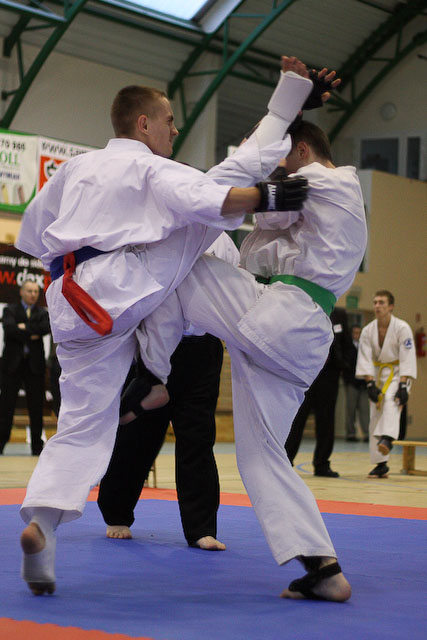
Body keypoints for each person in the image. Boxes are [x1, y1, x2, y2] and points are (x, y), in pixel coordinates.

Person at [14, 56, 314, 596]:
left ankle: (43, 524)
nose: (174, 130)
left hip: (69, 300)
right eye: (170, 120)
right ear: (143, 124)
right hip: (119, 286)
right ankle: (153, 373)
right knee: (203, 214)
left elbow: (33, 236)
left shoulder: (74, 169)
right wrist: (266, 197)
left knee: (82, 424)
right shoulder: (150, 169)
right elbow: (215, 195)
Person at [137, 112, 367, 601]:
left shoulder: (321, 182)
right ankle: (323, 568)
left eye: (282, 157)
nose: (279, 168)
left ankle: (151, 376)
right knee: (261, 458)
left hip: (281, 316)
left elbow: (267, 207)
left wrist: (258, 149)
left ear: (300, 150)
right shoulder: (333, 195)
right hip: (293, 338)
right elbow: (266, 227)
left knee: (183, 265)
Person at [98, 233, 239, 550]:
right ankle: (117, 512)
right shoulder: (159, 231)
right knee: (139, 434)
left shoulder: (223, 242)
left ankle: (201, 527)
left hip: (203, 348)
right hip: (156, 346)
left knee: (198, 437)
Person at [355, 290, 417, 478]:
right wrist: (370, 384)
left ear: (391, 306)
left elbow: (407, 356)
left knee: (392, 401)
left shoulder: (402, 328)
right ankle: (381, 464)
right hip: (376, 373)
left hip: (398, 373)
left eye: (381, 302)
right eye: (375, 302)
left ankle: (388, 438)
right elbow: (364, 358)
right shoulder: (368, 330)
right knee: (375, 415)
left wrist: (403, 386)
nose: (377, 306)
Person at [285, 307, 351, 477]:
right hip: (306, 372)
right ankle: (285, 460)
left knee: (326, 420)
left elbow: (347, 343)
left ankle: (322, 464)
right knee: (297, 418)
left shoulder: (339, 314)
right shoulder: (307, 307)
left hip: (329, 375)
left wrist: (344, 366)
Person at [0, 280, 50, 455]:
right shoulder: (10, 310)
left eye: (36, 291)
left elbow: (45, 328)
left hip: (34, 367)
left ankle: (37, 447)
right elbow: (9, 329)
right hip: (12, 366)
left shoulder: (42, 313)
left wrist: (23, 328)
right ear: (21, 292)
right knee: (6, 406)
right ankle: (1, 443)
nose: (33, 294)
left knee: (36, 407)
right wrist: (32, 332)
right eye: (29, 291)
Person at [343, 324, 369, 442]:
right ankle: (350, 433)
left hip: (363, 383)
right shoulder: (347, 347)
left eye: (359, 333)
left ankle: (366, 433)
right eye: (355, 333)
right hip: (352, 382)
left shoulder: (364, 347)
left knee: (364, 410)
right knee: (351, 409)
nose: (357, 335)